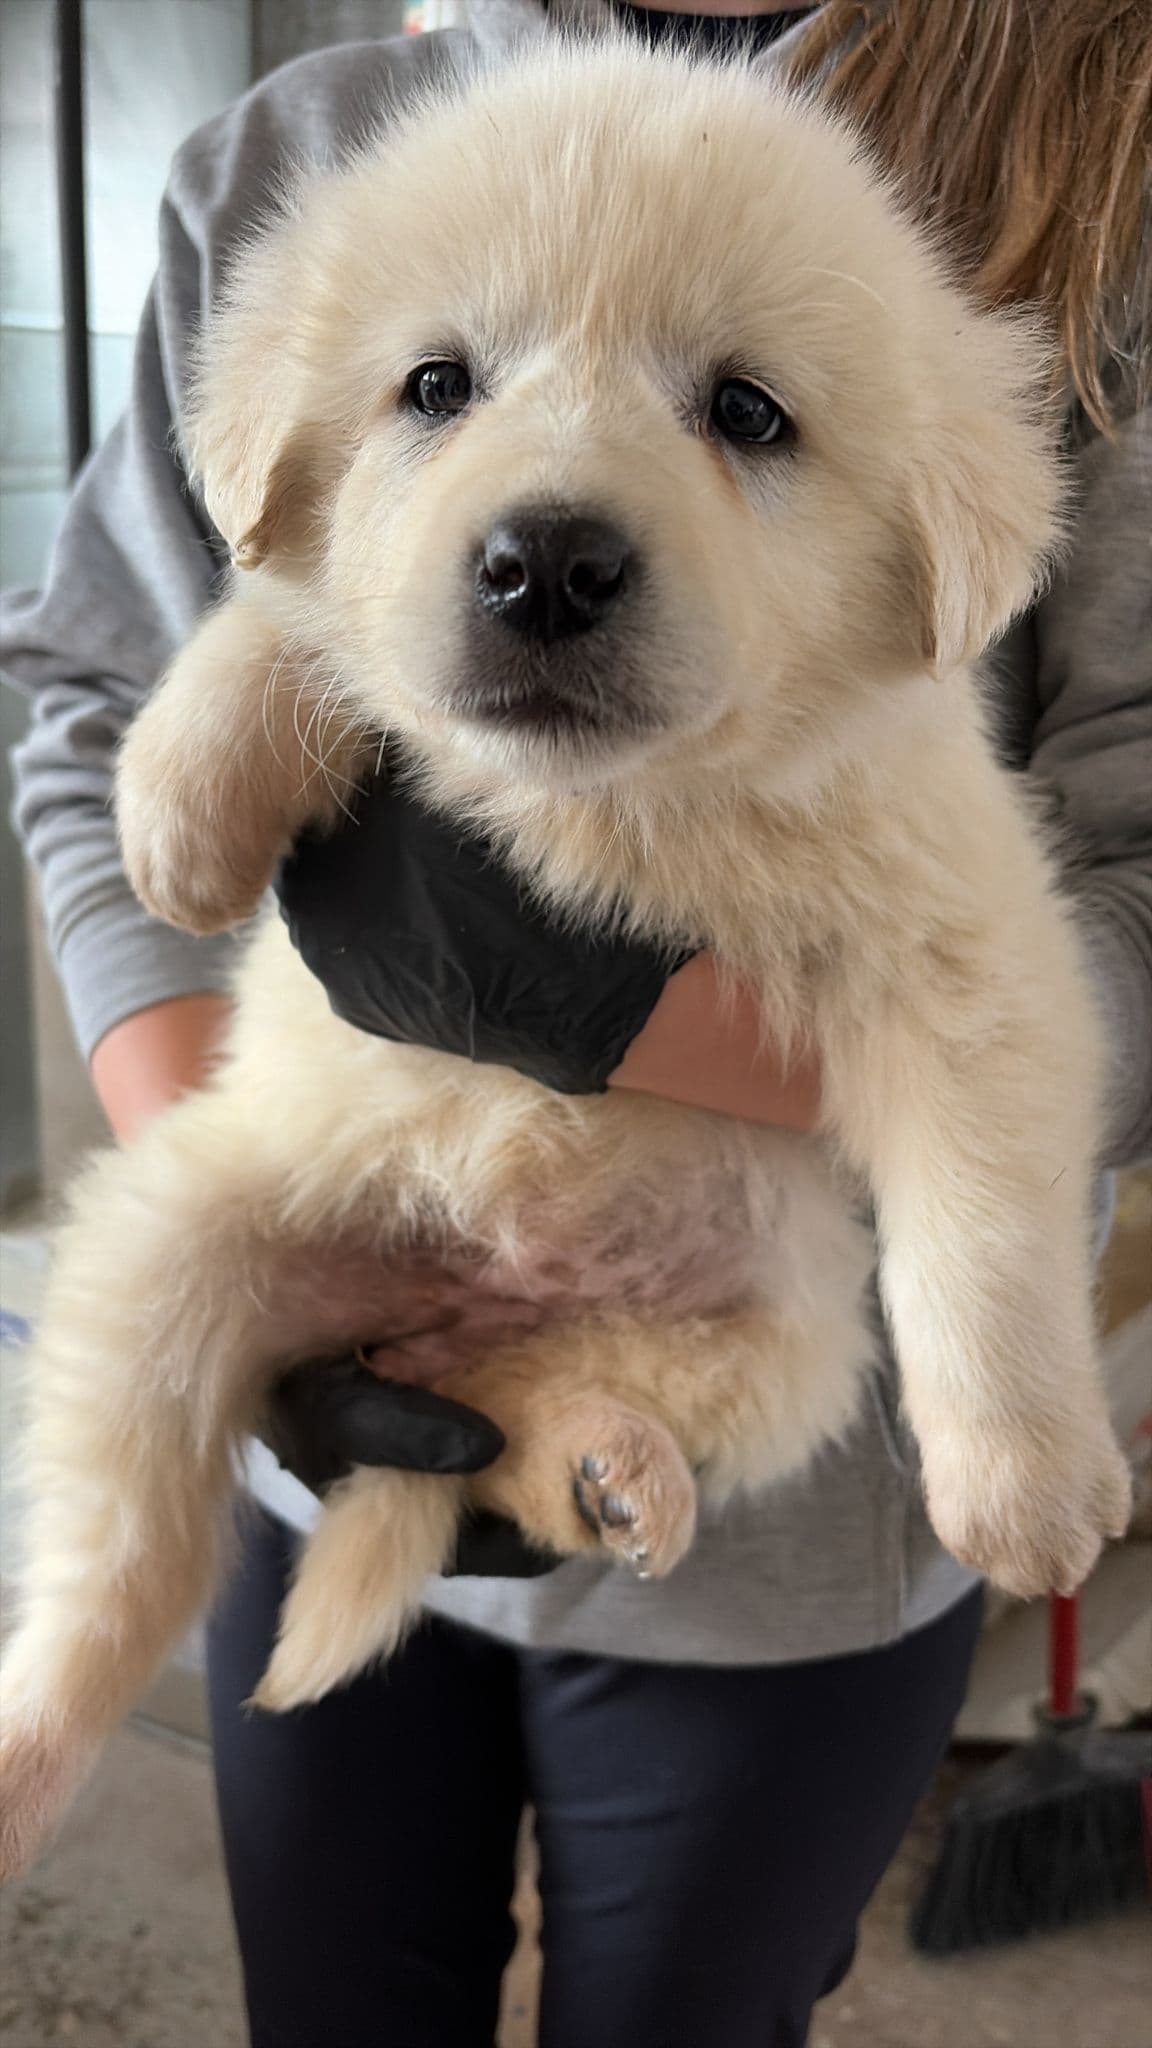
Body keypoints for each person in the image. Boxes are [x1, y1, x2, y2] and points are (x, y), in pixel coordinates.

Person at [2, 2, 1148, 2042]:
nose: (549, 522)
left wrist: (618, 1013)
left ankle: (577, 1420)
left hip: (801, 1513)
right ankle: (46, 1692)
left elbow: (1075, 925)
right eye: (445, 387)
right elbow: (119, 686)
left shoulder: (1097, 169)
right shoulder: (315, 152)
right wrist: (257, 1223)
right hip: (321, 1355)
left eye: (748, 413)